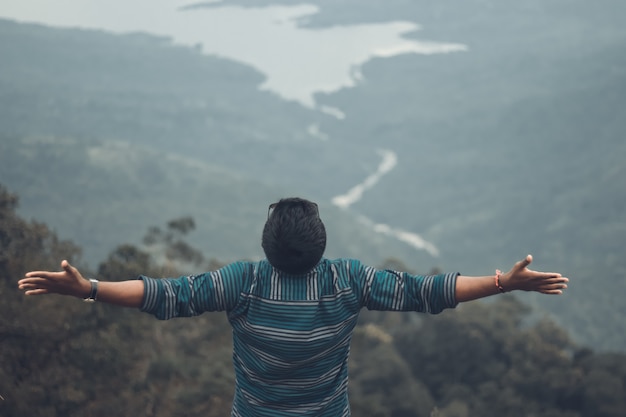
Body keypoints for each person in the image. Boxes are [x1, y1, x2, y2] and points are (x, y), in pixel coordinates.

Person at [18, 197, 568, 417]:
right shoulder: (349, 281)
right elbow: (430, 293)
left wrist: (89, 288)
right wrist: (503, 283)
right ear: (320, 245)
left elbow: (164, 297)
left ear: (267, 245)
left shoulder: (244, 284)